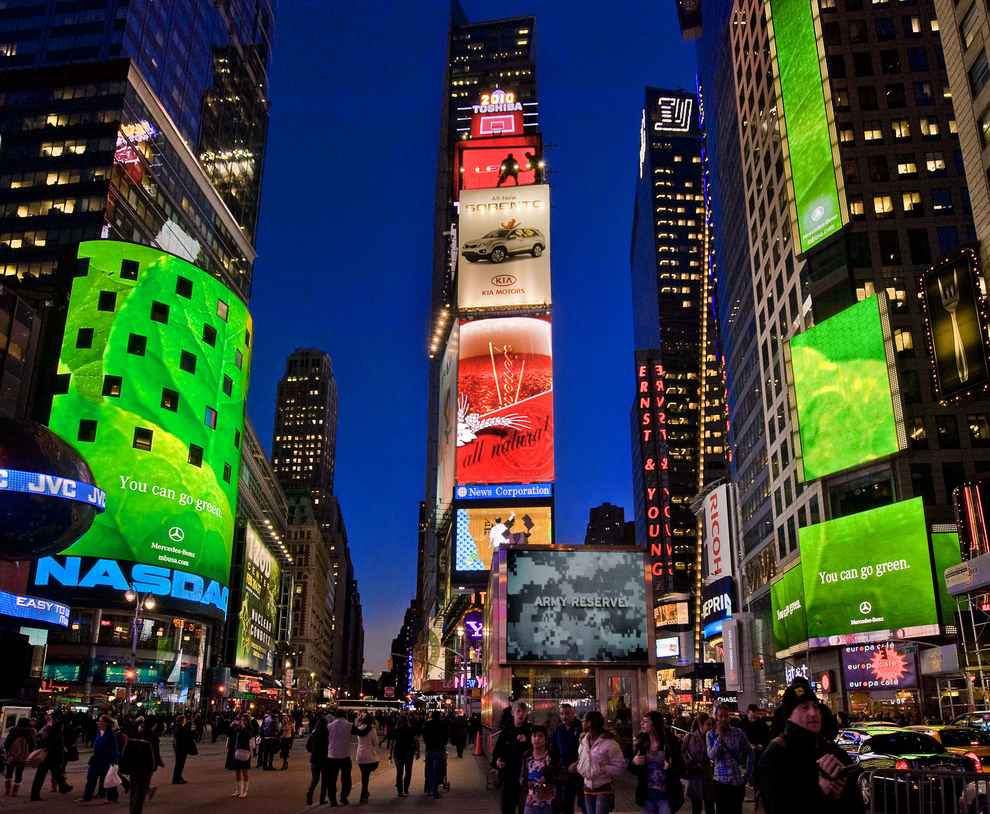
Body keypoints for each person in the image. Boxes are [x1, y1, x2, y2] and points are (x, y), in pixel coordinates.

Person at [759, 683, 865, 814]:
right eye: (804, 707)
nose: (813, 713)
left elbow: (857, 804)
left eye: (816, 706)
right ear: (789, 716)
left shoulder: (831, 750)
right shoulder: (776, 753)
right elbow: (776, 806)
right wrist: (820, 789)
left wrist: (840, 793)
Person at [629, 711, 685, 814]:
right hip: (647, 796)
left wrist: (670, 767)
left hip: (666, 796)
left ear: (654, 725)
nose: (641, 723)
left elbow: (681, 770)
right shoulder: (642, 743)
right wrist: (633, 762)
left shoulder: (670, 743)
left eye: (645, 721)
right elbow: (634, 770)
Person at [706, 705, 754, 814]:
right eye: (720, 716)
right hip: (720, 781)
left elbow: (750, 752)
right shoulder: (711, 735)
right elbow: (711, 756)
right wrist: (719, 738)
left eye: (726, 716)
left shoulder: (738, 733)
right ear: (716, 718)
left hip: (736, 781)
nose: (724, 719)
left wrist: (748, 773)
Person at [577, 710, 625, 814]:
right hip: (587, 787)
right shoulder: (583, 742)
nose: (582, 723)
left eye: (583, 721)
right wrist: (580, 768)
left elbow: (620, 767)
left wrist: (602, 768)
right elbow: (581, 760)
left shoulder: (609, 743)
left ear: (589, 723)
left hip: (603, 787)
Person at [493, 701, 532, 814]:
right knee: (506, 808)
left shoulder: (530, 730)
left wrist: (528, 741)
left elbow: (540, 749)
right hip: (509, 776)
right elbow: (497, 751)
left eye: (523, 712)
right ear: (512, 713)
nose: (521, 714)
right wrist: (497, 762)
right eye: (518, 711)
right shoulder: (507, 731)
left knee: (524, 809)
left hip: (525, 777)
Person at [519, 725, 565, 814]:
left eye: (540, 736)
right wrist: (525, 782)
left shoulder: (553, 757)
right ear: (531, 739)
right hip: (531, 801)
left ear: (546, 740)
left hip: (550, 802)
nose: (537, 739)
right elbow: (522, 776)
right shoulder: (527, 756)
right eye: (534, 736)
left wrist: (548, 779)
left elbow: (563, 776)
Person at [118, 717, 160, 814]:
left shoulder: (135, 735)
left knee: (134, 792)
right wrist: (153, 769)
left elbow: (126, 752)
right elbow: (154, 755)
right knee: (140, 795)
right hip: (145, 769)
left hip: (133, 767)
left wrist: (126, 766)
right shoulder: (152, 737)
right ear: (154, 725)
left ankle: (132, 810)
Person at [77, 714, 119, 804]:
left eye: (100, 721)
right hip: (97, 759)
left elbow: (114, 748)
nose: (98, 723)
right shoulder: (98, 731)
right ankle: (86, 797)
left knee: (108, 778)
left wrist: (113, 761)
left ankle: (113, 797)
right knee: (91, 777)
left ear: (106, 723)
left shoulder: (110, 733)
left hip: (106, 760)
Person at [551, 704, 583, 814]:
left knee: (583, 802)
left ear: (573, 713)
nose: (564, 716)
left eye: (567, 713)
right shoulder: (559, 729)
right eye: (562, 714)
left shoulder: (581, 727)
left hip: (580, 773)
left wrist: (577, 763)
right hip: (564, 773)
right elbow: (553, 749)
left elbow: (588, 750)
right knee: (566, 803)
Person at [681, 713, 715, 814]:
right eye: (708, 725)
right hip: (695, 777)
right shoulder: (690, 738)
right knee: (696, 808)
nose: (710, 727)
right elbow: (681, 754)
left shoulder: (711, 738)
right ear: (701, 725)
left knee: (710, 807)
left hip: (708, 777)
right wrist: (689, 762)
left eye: (711, 725)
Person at [30, 718, 71, 800]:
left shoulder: (47, 733)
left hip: (45, 757)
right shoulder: (59, 736)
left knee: (40, 776)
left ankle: (34, 794)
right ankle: (64, 787)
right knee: (57, 774)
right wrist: (61, 760)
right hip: (53, 758)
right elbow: (59, 749)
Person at [326, 708, 353, 805]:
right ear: (345, 716)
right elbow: (360, 732)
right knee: (346, 778)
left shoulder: (329, 726)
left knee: (332, 779)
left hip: (332, 755)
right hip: (345, 754)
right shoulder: (349, 725)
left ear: (335, 716)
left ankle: (332, 799)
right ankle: (344, 796)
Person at [4, 716, 36, 796]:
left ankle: (7, 789)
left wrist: (8, 752)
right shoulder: (29, 734)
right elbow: (32, 746)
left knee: (9, 772)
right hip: (23, 756)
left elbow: (6, 744)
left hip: (11, 756)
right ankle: (15, 791)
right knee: (19, 773)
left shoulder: (13, 732)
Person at [225, 713, 255, 798]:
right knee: (237, 770)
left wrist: (243, 727)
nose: (242, 721)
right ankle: (238, 790)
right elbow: (229, 734)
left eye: (244, 720)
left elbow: (248, 736)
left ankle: (244, 790)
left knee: (245, 771)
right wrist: (231, 726)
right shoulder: (237, 729)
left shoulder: (249, 729)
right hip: (237, 751)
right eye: (241, 720)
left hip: (245, 751)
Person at [389, 713, 419, 797]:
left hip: (398, 752)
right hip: (408, 752)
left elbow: (391, 743)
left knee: (399, 772)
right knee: (408, 771)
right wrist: (418, 751)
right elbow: (416, 740)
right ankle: (406, 787)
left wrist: (390, 754)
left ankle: (399, 790)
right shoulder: (411, 729)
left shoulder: (395, 730)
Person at [422, 710, 448, 798]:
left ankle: (428, 789)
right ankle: (434, 790)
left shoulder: (427, 724)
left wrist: (428, 744)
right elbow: (445, 737)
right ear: (439, 716)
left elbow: (424, 736)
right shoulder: (442, 725)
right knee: (436, 771)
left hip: (429, 749)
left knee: (428, 770)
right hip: (439, 749)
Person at [353, 713, 379, 804]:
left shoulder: (359, 729)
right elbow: (375, 743)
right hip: (369, 755)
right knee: (366, 776)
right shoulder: (372, 730)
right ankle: (363, 794)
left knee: (364, 775)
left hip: (360, 755)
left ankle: (365, 793)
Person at [305, 715, 329, 806]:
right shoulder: (327, 735)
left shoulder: (313, 735)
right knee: (325, 780)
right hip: (325, 759)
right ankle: (322, 798)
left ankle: (310, 792)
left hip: (315, 759)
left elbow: (308, 747)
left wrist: (314, 751)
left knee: (315, 778)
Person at [171, 715, 195, 784]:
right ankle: (176, 778)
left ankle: (178, 777)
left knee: (179, 764)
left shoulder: (177, 728)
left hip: (179, 747)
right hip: (181, 748)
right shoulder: (181, 729)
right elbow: (190, 736)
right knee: (180, 764)